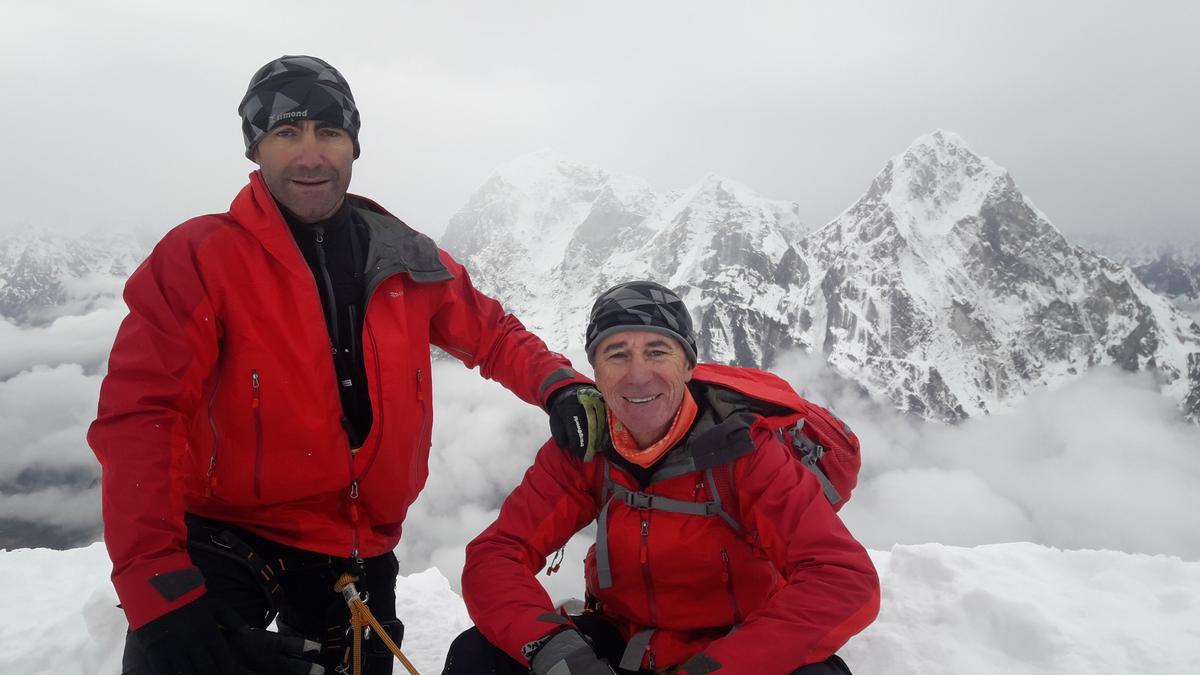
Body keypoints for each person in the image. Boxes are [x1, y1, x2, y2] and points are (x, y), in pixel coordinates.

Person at [88, 55, 604, 675]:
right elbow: (142, 416)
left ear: (354, 143)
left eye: (328, 132)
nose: (310, 155)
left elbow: (490, 334)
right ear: (255, 149)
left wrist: (558, 385)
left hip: (356, 546)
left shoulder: (404, 255)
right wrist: (158, 588)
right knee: (172, 657)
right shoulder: (200, 258)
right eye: (286, 133)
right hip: (228, 531)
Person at [445, 281, 880, 675]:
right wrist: (559, 652)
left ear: (688, 366)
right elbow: (497, 554)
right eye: (616, 354)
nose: (637, 374)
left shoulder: (746, 452)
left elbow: (842, 577)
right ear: (595, 373)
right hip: (621, 642)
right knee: (478, 656)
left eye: (657, 351)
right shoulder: (586, 449)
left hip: (735, 645)